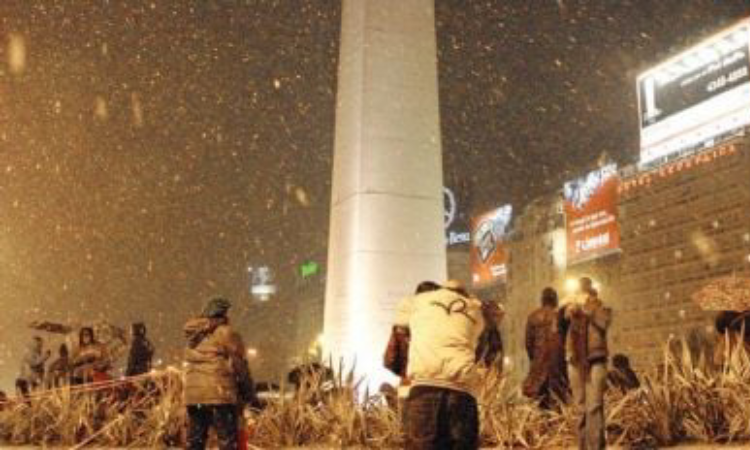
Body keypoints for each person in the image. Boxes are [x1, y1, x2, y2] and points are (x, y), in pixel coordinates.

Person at [396, 280, 485, 450]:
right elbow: (475, 337)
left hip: (424, 389)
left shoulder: (420, 301)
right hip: (461, 391)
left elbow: (401, 316)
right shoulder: (474, 310)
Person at [184, 297, 255, 450]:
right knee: (227, 441)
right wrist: (249, 393)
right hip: (219, 394)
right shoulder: (226, 332)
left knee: (195, 442)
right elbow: (240, 365)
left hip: (194, 396)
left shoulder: (193, 335)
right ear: (223, 314)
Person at [561, 279, 612, 450]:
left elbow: (603, 323)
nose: (582, 297)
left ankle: (595, 447)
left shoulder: (601, 309)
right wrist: (566, 309)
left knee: (594, 408)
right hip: (575, 361)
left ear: (592, 294)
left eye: (585, 293)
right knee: (580, 408)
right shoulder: (572, 312)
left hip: (596, 360)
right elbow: (558, 325)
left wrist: (588, 309)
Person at [523, 287, 568, 408]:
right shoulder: (561, 315)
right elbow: (568, 340)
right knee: (559, 398)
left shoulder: (533, 316)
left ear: (542, 299)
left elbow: (528, 343)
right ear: (555, 300)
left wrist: (535, 359)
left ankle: (544, 423)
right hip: (558, 362)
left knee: (541, 399)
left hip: (539, 362)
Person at [475, 299, 505, 369]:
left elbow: (496, 352)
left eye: (500, 316)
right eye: (495, 315)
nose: (499, 320)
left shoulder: (494, 331)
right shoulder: (478, 329)